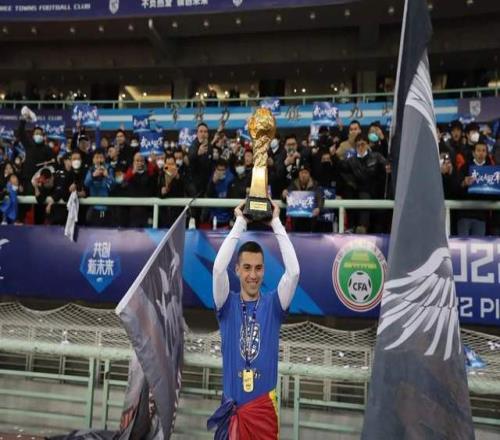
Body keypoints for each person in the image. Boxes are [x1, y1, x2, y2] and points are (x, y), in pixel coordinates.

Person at [207, 201, 300, 439]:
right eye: (247, 267)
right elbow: (217, 270)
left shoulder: (274, 304)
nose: (252, 275)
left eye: (258, 268)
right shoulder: (226, 304)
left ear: (264, 270)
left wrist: (276, 222)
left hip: (263, 414)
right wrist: (240, 221)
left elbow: (294, 273)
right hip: (233, 412)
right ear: (237, 270)